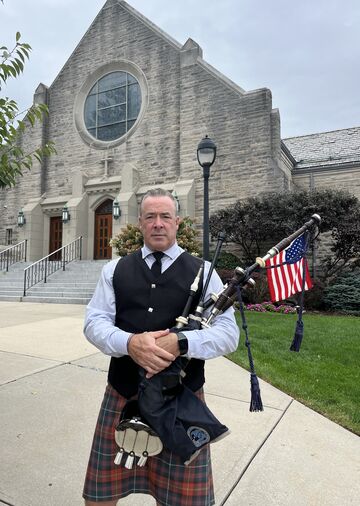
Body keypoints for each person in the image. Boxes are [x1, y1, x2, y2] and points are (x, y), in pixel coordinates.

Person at [83, 188, 239, 506]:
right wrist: (129, 343)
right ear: (140, 222)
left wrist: (182, 342)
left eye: (165, 216)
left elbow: (228, 334)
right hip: (124, 391)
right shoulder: (114, 270)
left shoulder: (205, 272)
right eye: (150, 216)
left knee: (184, 500)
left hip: (181, 398)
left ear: (177, 222)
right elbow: (94, 322)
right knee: (100, 495)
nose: (158, 223)